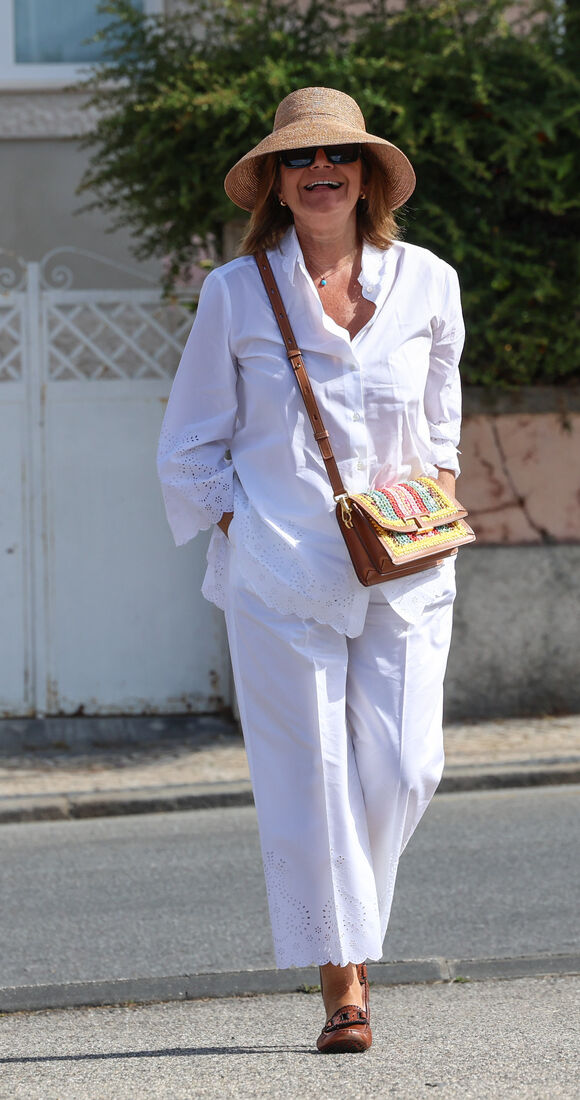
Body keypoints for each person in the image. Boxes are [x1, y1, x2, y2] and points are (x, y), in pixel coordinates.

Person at [158, 88, 465, 1053]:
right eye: (301, 159)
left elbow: (443, 413)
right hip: (281, 566)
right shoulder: (235, 292)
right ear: (278, 185)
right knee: (311, 772)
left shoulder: (429, 282)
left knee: (409, 765)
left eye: (340, 155)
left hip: (406, 565)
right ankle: (345, 977)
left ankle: (348, 924)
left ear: (368, 175)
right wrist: (245, 527)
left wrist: (437, 485)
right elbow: (189, 446)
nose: (321, 169)